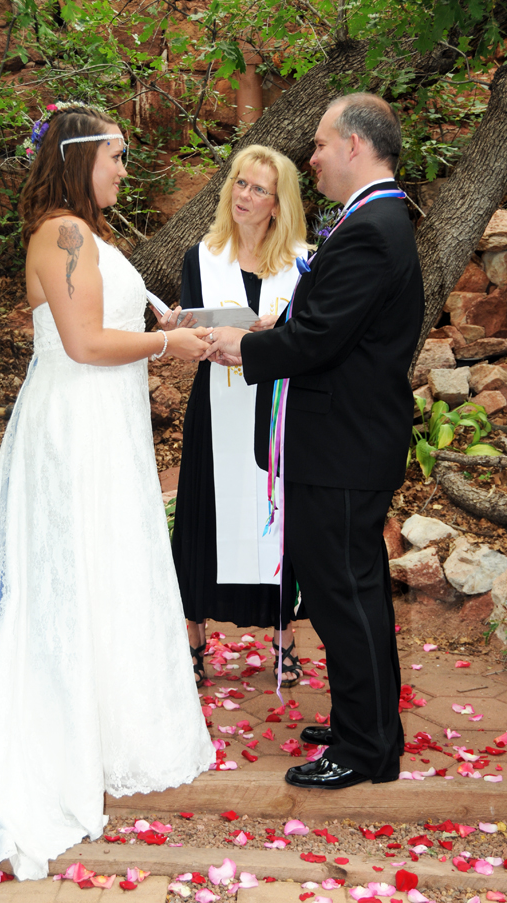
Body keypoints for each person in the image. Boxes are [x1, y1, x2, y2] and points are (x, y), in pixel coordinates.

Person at [0, 104, 215, 896]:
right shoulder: (63, 234)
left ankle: (104, 726)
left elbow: (104, 322)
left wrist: (168, 325)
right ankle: (53, 740)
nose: (124, 169)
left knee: (103, 569)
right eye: (115, 156)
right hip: (72, 429)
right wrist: (164, 344)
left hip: (104, 428)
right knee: (66, 576)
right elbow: (81, 345)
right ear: (81, 159)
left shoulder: (90, 234)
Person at [205, 93, 425, 788]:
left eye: (323, 144)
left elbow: (322, 337)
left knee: (342, 593)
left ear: (356, 146)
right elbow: (333, 323)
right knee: (350, 592)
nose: (314, 157)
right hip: (344, 441)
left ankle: (365, 748)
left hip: (342, 447)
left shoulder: (372, 228)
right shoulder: (374, 220)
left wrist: (244, 346)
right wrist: (274, 334)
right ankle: (370, 723)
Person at [159, 145, 309, 689]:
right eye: (240, 184)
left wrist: (276, 334)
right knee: (203, 515)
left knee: (277, 517)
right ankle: (194, 640)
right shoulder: (203, 254)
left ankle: (284, 638)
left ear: (278, 202)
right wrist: (189, 329)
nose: (245, 196)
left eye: (259, 189)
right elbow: (193, 335)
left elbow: (313, 339)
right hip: (217, 401)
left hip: (275, 409)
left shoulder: (302, 261)